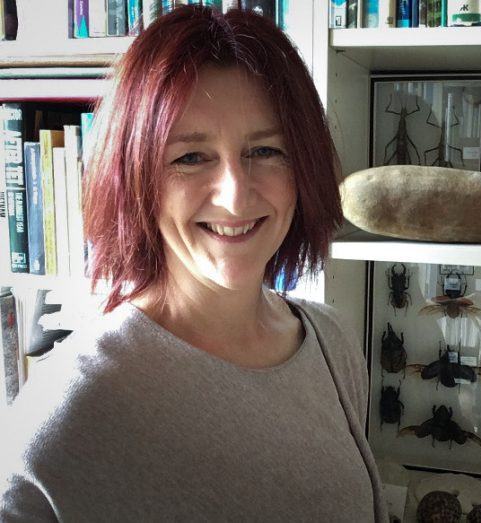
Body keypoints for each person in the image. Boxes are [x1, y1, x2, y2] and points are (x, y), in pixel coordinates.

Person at [0, 6, 386, 521]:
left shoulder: (332, 345)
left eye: (266, 150)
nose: (234, 196)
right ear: (137, 180)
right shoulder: (67, 413)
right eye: (190, 157)